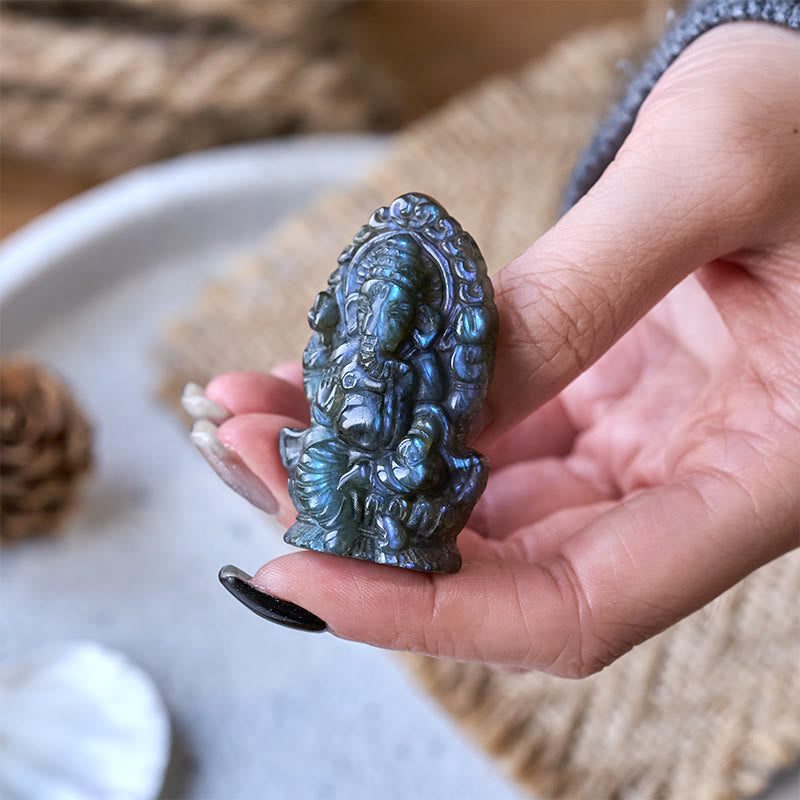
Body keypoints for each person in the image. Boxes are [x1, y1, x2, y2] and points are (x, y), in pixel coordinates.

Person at [187, 2, 800, 675]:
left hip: (405, 461)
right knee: (319, 461)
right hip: (352, 449)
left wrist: (425, 436)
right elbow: (330, 400)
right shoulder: (349, 347)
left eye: (397, 316)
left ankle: (391, 524)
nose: (379, 329)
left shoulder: (429, 365)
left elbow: (430, 431)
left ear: (422, 316)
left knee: (417, 474)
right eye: (370, 314)